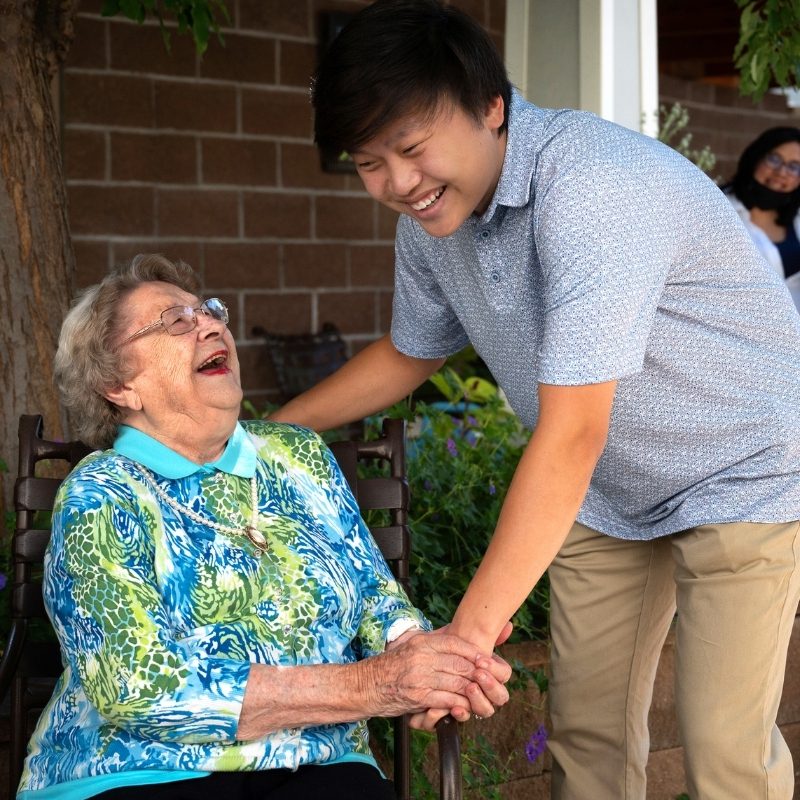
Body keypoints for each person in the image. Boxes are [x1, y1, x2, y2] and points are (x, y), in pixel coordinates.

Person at [269, 1, 800, 798]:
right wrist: (262, 432)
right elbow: (411, 351)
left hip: (740, 469)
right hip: (608, 491)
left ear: (492, 107)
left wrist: (465, 642)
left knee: (722, 748)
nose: (397, 183)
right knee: (587, 738)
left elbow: (572, 433)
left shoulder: (593, 189)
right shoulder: (430, 221)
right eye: (369, 161)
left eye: (411, 148)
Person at [17, 253, 512, 800]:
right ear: (118, 385)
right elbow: (137, 685)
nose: (210, 324)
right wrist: (375, 685)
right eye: (176, 321)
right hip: (141, 774)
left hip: (325, 768)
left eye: (210, 312)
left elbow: (375, 597)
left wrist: (434, 660)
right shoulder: (102, 493)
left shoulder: (297, 454)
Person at [724, 126, 800, 311]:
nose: (781, 172)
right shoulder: (720, 209)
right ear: (756, 157)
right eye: (774, 159)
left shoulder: (797, 216)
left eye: (794, 167)